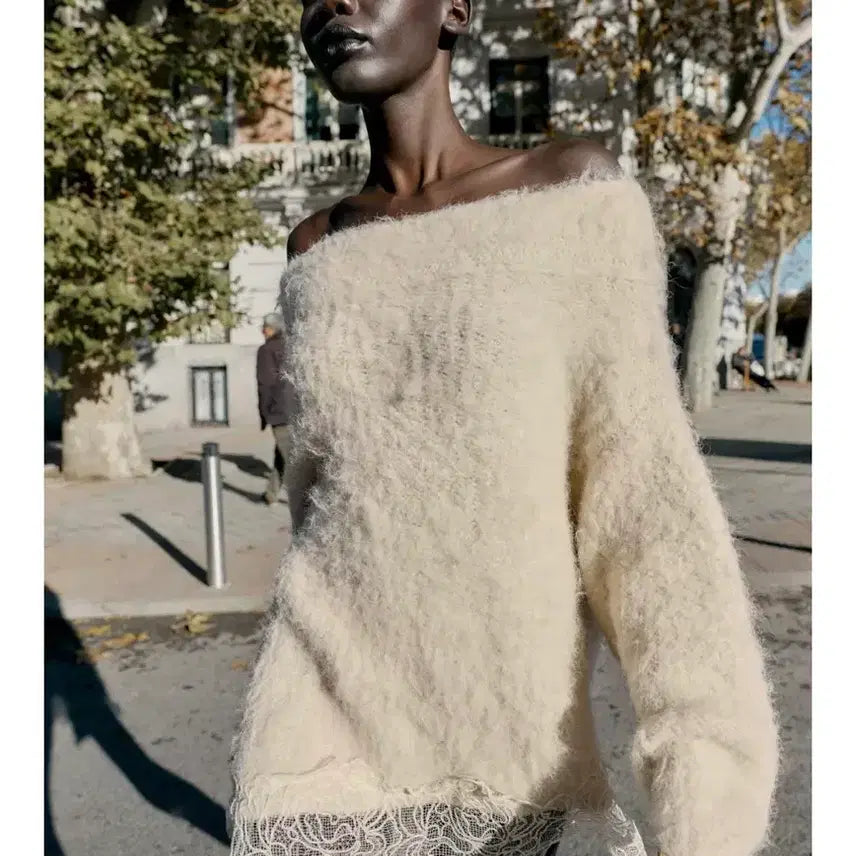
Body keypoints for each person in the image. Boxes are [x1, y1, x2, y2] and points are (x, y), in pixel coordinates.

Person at [230, 3, 777, 856]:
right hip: (312, 725)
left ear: (454, 9)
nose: (334, 4)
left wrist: (708, 805)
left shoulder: (568, 194)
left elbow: (645, 508)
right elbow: (323, 503)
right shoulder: (315, 246)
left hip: (504, 750)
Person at [256, 312, 293, 505]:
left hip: (279, 412)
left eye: (266, 327)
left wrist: (264, 413)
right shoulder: (292, 346)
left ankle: (304, 503)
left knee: (290, 459)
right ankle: (271, 494)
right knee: (282, 454)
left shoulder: (266, 350)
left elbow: (265, 384)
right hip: (295, 409)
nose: (263, 331)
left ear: (274, 329)